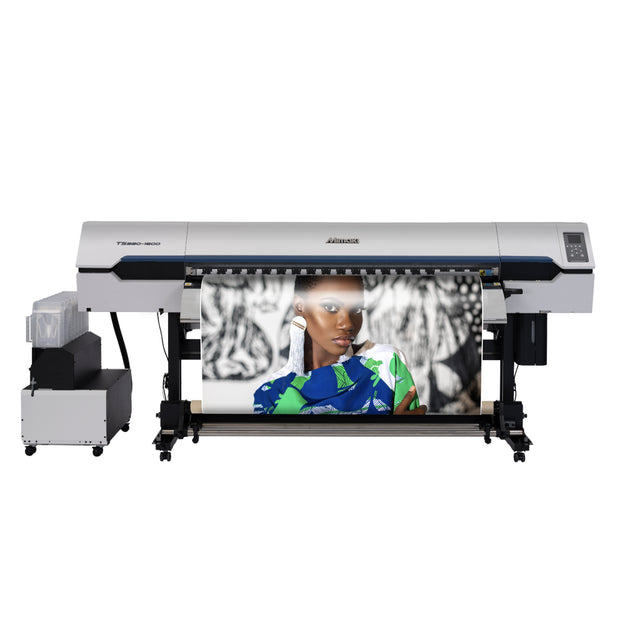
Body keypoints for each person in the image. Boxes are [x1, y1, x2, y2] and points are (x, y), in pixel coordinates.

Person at [253, 275, 427, 415]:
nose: (348, 324)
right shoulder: (271, 393)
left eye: (357, 309)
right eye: (330, 307)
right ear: (300, 306)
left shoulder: (386, 363)